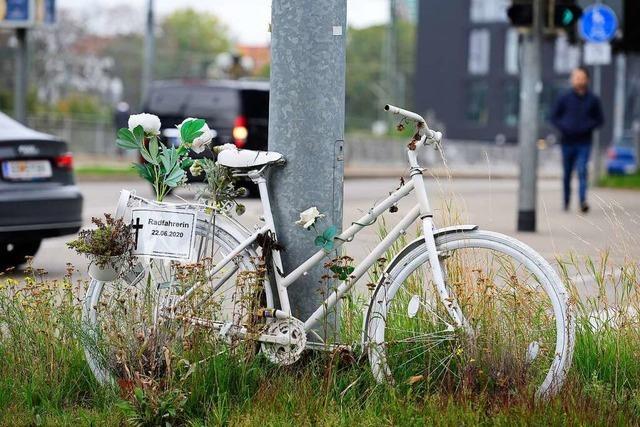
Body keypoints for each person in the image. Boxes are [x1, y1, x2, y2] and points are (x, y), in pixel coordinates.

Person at [550, 67, 604, 213]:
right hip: (567, 141)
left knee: (582, 170)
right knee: (567, 173)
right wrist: (564, 127)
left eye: (581, 77)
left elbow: (600, 120)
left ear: (587, 79)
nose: (578, 80)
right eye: (576, 77)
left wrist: (587, 126)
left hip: (584, 142)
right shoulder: (564, 98)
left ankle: (582, 201)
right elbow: (554, 117)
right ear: (572, 79)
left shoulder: (593, 99)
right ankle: (566, 201)